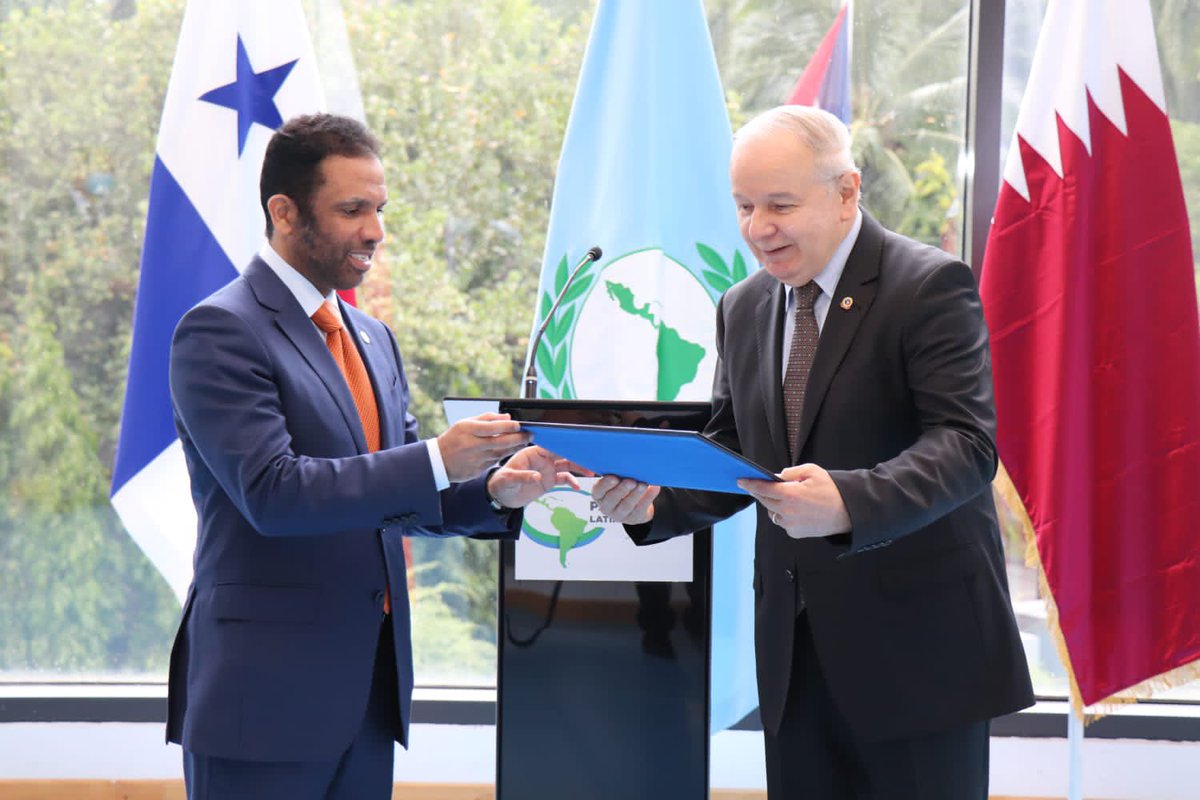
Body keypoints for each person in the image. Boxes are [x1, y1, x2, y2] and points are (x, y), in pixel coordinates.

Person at [593, 105, 1034, 799]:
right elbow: (737, 449)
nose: (757, 228)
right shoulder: (743, 305)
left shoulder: (928, 285)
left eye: (780, 205)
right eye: (744, 206)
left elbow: (966, 445)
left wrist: (849, 501)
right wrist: (652, 502)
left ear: (846, 192)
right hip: (795, 657)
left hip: (920, 656)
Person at [166, 113, 574, 799]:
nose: (375, 231)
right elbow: (273, 493)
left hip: (366, 700)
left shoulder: (372, 337)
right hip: (260, 706)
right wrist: (439, 458)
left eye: (379, 210)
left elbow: (398, 497)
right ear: (284, 213)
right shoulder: (219, 330)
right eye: (352, 210)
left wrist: (497, 491)